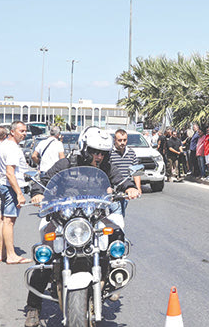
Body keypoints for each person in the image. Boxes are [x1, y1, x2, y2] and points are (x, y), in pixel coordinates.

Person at [24, 126, 140, 327]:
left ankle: (113, 274)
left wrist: (129, 187)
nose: (99, 156)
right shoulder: (66, 164)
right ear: (84, 147)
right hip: (63, 217)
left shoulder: (107, 166)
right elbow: (43, 179)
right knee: (45, 254)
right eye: (95, 151)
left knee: (116, 234)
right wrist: (37, 192)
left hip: (93, 217)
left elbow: (122, 179)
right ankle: (33, 307)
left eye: (103, 152)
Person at [0, 121, 32, 264]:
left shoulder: (5, 145)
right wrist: (19, 193)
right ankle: (11, 255)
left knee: (5, 220)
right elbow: (9, 173)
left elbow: (0, 167)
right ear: (12, 131)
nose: (24, 134)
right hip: (10, 187)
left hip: (4, 185)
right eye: (21, 131)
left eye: (25, 131)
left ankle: (2, 252)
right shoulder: (12, 148)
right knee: (9, 222)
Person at [110, 129, 143, 215]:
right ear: (115, 140)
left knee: (121, 214)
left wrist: (138, 188)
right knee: (116, 216)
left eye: (124, 140)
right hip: (113, 192)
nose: (122, 142)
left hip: (125, 191)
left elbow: (136, 172)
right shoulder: (109, 153)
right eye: (119, 140)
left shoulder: (131, 153)